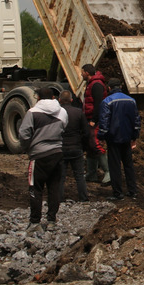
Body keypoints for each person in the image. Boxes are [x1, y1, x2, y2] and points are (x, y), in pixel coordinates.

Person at [18, 87, 69, 228]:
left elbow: (24, 134)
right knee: (54, 187)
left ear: (38, 98)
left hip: (38, 155)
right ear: (53, 97)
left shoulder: (32, 113)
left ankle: (35, 221)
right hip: (57, 153)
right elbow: (64, 127)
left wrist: (27, 147)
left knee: (35, 188)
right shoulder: (62, 112)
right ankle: (51, 219)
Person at [98, 78, 141, 200]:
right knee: (128, 165)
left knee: (115, 166)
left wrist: (101, 137)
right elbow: (137, 120)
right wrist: (135, 136)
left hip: (113, 138)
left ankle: (118, 193)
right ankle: (133, 191)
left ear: (109, 88)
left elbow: (104, 122)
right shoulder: (131, 101)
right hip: (127, 138)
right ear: (121, 87)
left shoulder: (107, 102)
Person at [81, 65, 111, 185]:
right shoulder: (92, 83)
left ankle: (108, 172)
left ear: (87, 72)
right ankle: (91, 173)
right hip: (89, 118)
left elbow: (99, 103)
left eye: (82, 72)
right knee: (90, 145)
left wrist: (94, 119)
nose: (81, 74)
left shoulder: (96, 85)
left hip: (95, 120)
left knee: (96, 144)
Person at [58, 90, 90, 201]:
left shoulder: (57, 113)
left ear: (59, 100)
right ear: (71, 100)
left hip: (61, 148)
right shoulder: (78, 112)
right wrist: (83, 145)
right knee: (79, 175)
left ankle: (59, 198)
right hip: (76, 147)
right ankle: (83, 198)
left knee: (61, 177)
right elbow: (86, 132)